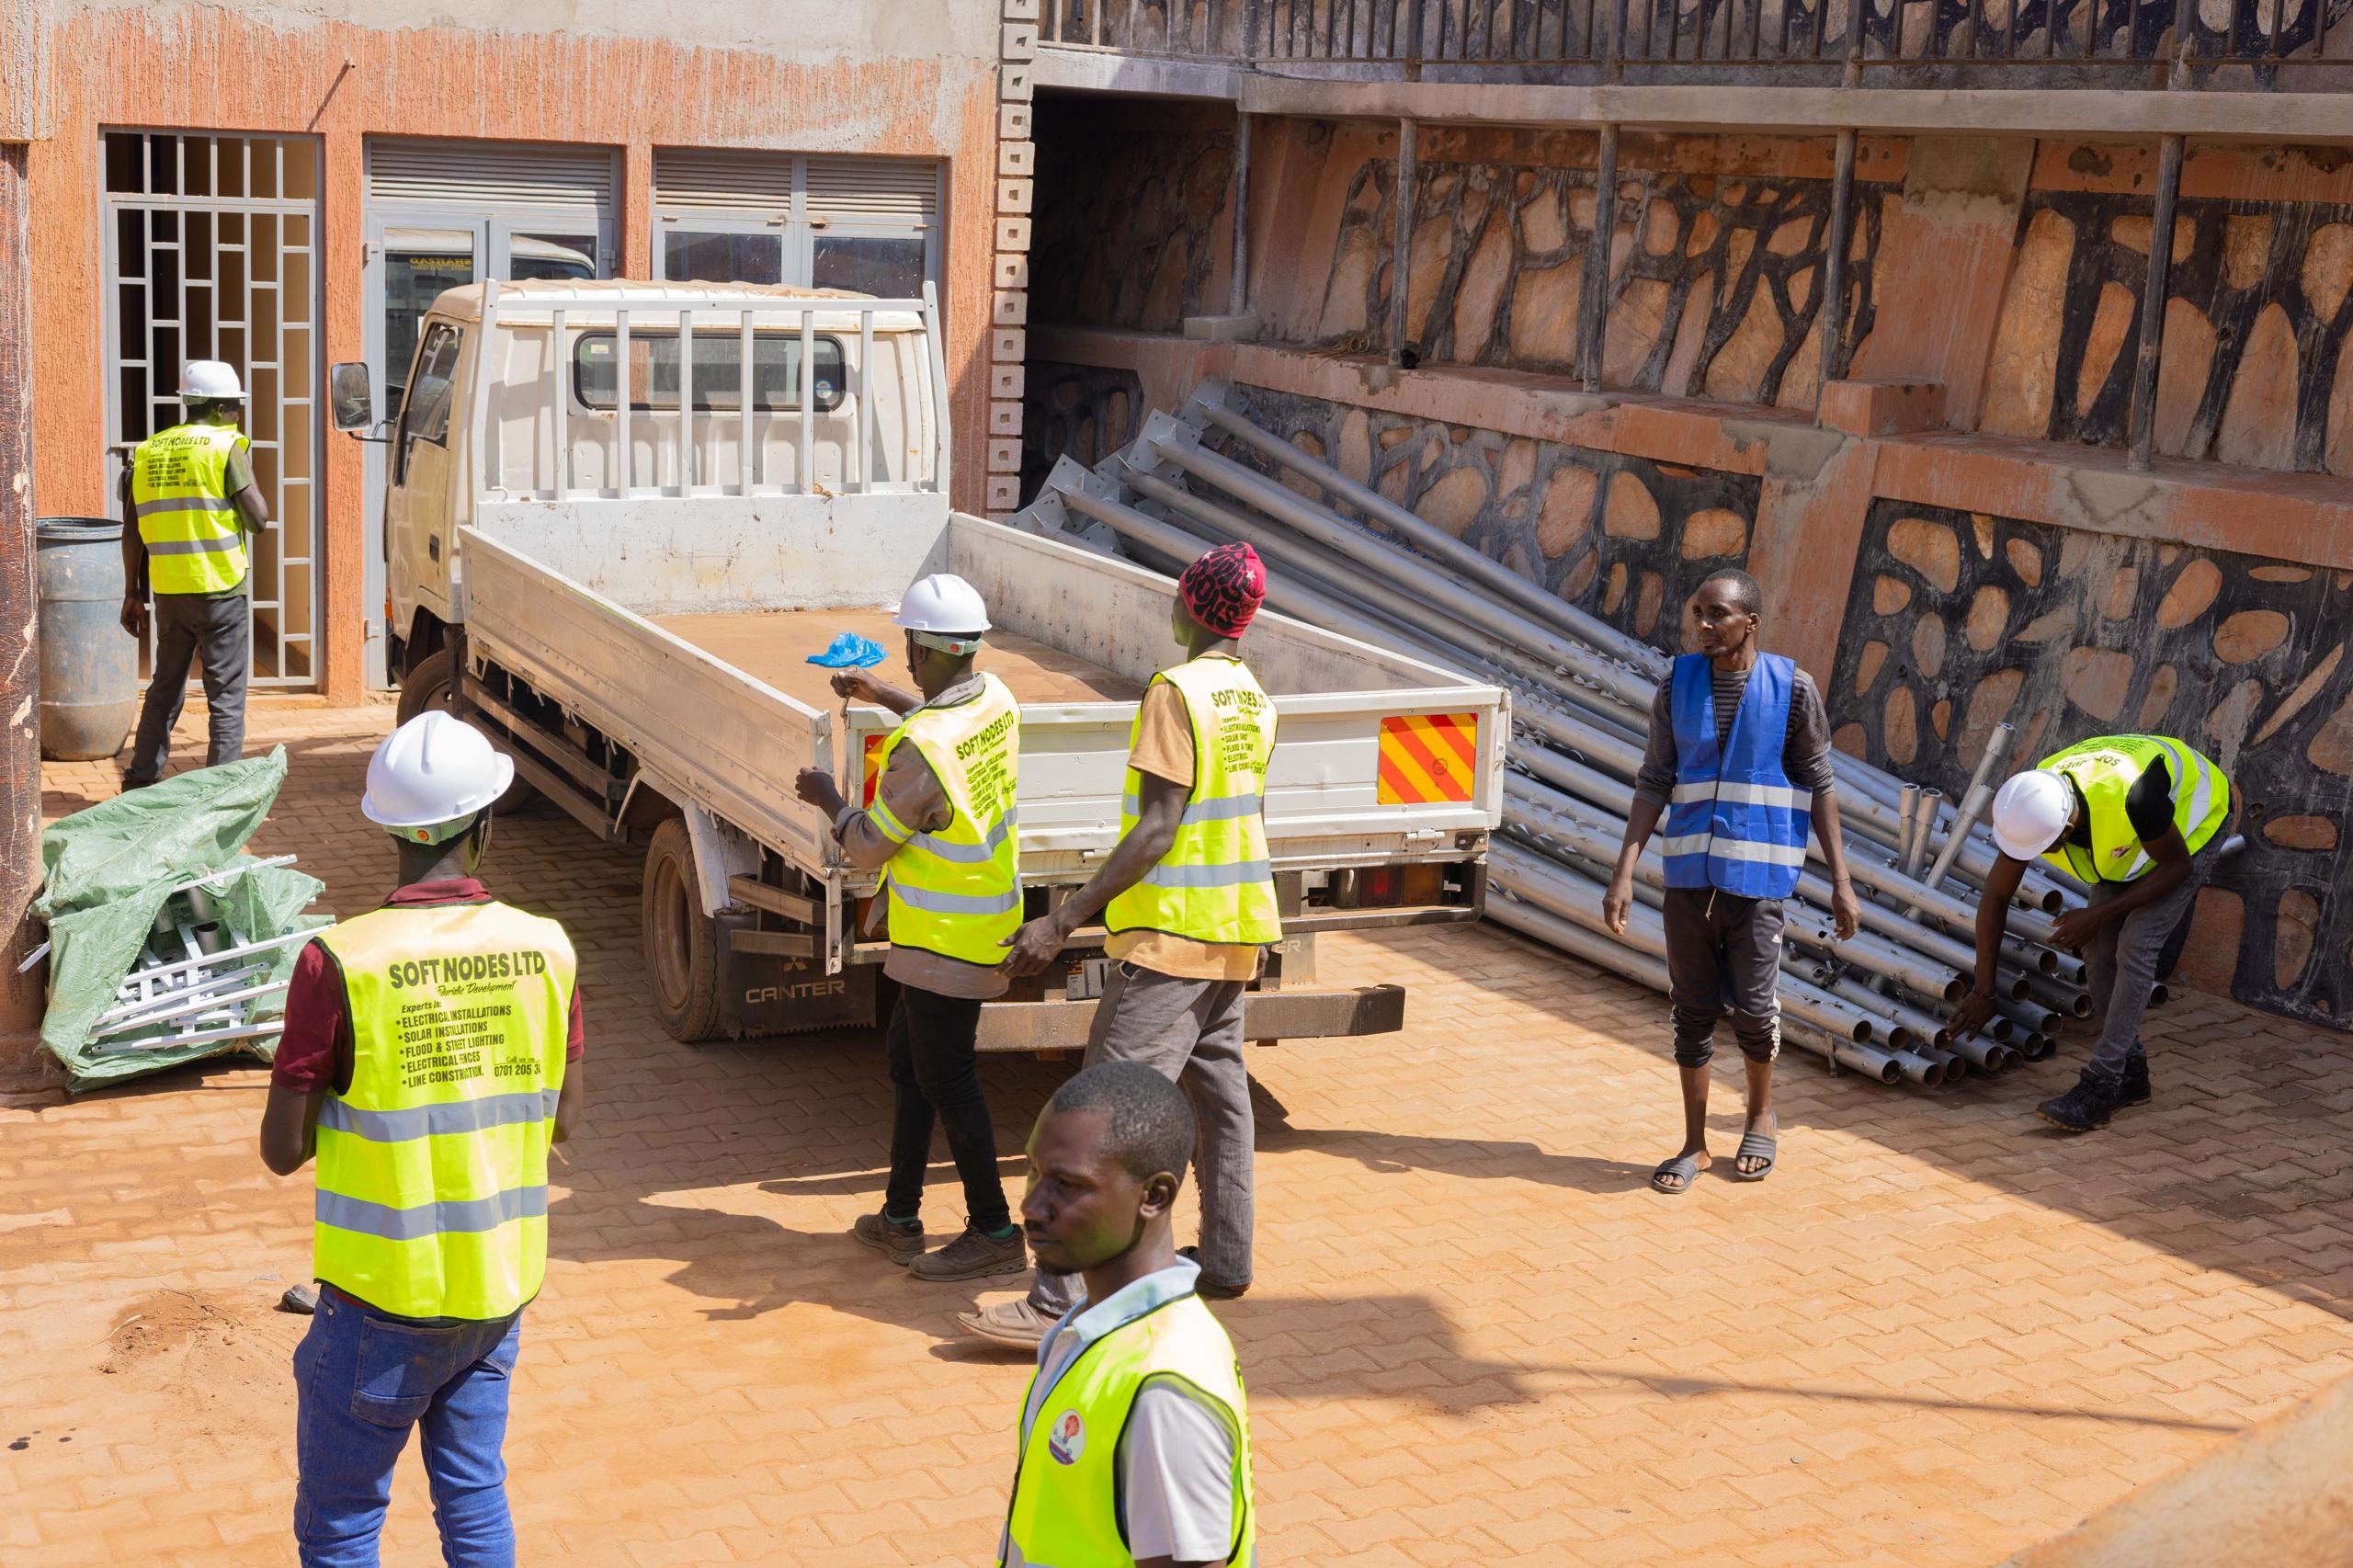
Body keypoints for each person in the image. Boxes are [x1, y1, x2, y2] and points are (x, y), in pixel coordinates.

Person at [259, 710, 584, 1568]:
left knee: (342, 1522)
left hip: (379, 1298)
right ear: (484, 827)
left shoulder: (341, 960)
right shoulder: (545, 949)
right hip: (497, 1292)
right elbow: (564, 1120)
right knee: (474, 1503)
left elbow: (281, 1150)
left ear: (386, 827)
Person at [974, 542, 1280, 1347]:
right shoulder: (1251, 697)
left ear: (1188, 609)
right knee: (1222, 1104)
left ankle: (1054, 1300)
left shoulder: (1175, 693)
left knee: (1100, 1114)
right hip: (1236, 930)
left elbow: (1158, 828)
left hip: (1174, 936)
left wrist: (1061, 919)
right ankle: (1224, 1260)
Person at [793, 574, 1028, 1283]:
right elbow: (936, 718)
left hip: (941, 942)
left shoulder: (919, 751)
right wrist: (876, 695)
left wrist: (829, 798)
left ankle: (993, 1229)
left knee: (947, 1078)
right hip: (979, 925)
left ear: (924, 649)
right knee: (910, 1063)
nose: (904, 663)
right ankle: (899, 1216)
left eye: (906, 650)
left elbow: (867, 844)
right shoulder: (996, 699)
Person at [1604, 568, 1860, 1193]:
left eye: (1716, 614)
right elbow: (1654, 780)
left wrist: (1842, 882)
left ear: (1751, 622)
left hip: (1760, 881)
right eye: (1697, 613)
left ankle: (1759, 1117)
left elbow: (1820, 784)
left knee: (1752, 1009)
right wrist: (1624, 871)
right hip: (1689, 877)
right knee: (1690, 1011)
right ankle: (1694, 1144)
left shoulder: (1791, 689)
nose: (1703, 625)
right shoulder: (1678, 686)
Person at [996, 1062, 1256, 1568]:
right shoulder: (1093, 1325)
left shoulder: (1162, 1388)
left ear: (1154, 1197)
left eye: (1068, 1185)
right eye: (1033, 1170)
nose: (1032, 1204)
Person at [1951, 733, 2233, 1132]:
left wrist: (2100, 913)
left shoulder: (2133, 798)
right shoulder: (2032, 802)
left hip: (2192, 827)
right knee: (2099, 946)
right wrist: (1984, 991)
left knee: (2135, 944)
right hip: (2137, 836)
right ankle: (2131, 1074)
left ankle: (2102, 1084)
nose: (2039, 855)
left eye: (2045, 847)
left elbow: (2177, 868)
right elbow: (1996, 895)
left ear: (2066, 827)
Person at [121, 359, 270, 790]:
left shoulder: (150, 451)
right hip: (222, 590)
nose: (238, 415)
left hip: (169, 591)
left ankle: (139, 782)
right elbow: (259, 519)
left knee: (164, 689)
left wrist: (132, 591)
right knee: (226, 699)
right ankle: (218, 794)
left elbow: (133, 528)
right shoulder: (226, 447)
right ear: (221, 407)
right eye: (235, 407)